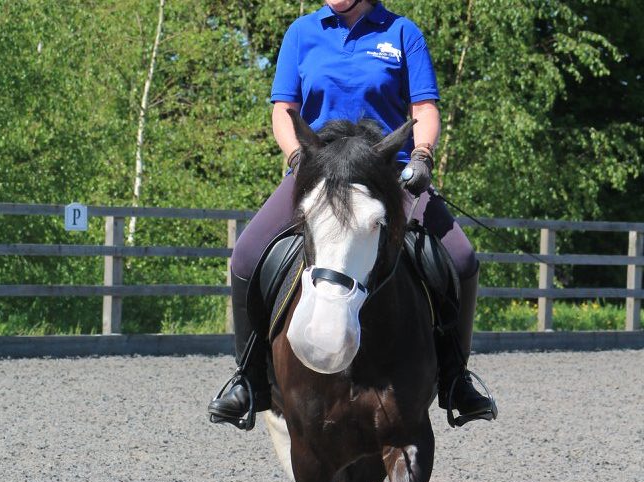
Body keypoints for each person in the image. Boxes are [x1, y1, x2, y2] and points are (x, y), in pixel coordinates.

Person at [209, 0, 497, 428]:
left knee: (461, 258)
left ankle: (456, 378)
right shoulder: (302, 32)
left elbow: (424, 109)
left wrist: (422, 154)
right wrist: (297, 157)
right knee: (246, 256)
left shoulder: (402, 33)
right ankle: (248, 378)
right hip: (317, 172)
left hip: (386, 174)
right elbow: (283, 111)